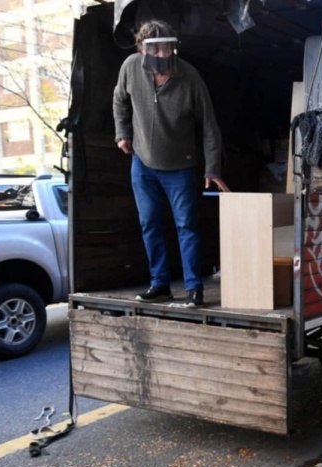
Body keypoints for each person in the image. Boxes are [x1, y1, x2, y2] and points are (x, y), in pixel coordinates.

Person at [113, 20, 229, 308]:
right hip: (143, 164)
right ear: (141, 50)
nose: (163, 55)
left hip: (180, 166)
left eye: (168, 48)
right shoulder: (130, 67)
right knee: (149, 223)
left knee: (186, 225)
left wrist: (212, 168)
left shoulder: (190, 77)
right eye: (155, 49)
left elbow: (210, 126)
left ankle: (194, 288)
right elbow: (119, 100)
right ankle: (160, 284)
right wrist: (122, 134)